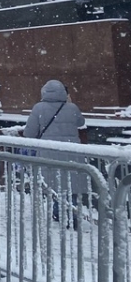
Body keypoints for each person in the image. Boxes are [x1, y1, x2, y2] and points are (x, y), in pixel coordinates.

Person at [23, 79, 88, 225]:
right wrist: (69, 104)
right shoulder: (72, 108)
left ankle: (59, 212)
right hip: (72, 150)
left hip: (49, 150)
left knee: (55, 182)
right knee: (71, 182)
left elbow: (29, 133)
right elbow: (81, 122)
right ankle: (72, 212)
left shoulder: (38, 108)